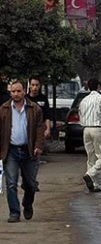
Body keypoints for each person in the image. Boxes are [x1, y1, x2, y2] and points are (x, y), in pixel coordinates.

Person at [0, 80, 44, 223]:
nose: (16, 94)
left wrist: (38, 145)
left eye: (18, 91)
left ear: (24, 91)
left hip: (29, 150)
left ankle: (27, 203)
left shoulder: (34, 108)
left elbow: (39, 129)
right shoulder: (4, 109)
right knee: (11, 183)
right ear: (10, 92)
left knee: (30, 184)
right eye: (13, 91)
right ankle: (14, 212)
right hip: (11, 150)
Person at [79, 78, 101, 193]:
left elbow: (80, 115)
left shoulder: (84, 100)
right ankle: (90, 174)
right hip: (98, 129)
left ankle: (93, 184)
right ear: (98, 86)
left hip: (86, 129)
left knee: (90, 157)